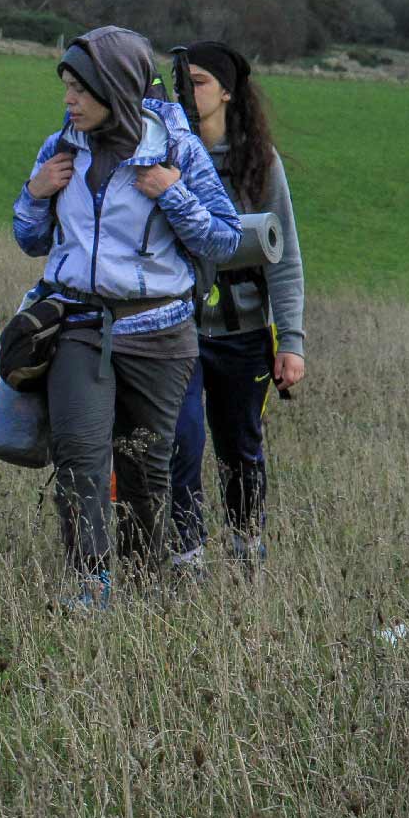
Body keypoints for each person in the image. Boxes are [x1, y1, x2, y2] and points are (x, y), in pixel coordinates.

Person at [11, 27, 241, 607]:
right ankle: (90, 589)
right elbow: (30, 240)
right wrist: (36, 193)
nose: (69, 101)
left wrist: (172, 193)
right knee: (80, 460)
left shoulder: (176, 150)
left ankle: (143, 584)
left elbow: (223, 240)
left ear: (114, 87)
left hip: (161, 336)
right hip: (78, 328)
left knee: (144, 472)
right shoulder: (58, 148)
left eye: (80, 90)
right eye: (65, 88)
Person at [167, 41, 306, 567]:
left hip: (245, 333)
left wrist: (290, 343)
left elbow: (284, 256)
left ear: (227, 92)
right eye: (183, 82)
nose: (188, 92)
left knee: (240, 450)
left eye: (199, 82)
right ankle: (187, 556)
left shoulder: (258, 161)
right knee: (182, 443)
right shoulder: (164, 153)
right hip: (176, 328)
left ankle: (247, 546)